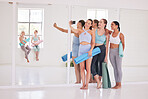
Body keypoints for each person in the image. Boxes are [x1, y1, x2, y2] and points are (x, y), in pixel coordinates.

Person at [69, 19, 95, 90]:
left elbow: (93, 43)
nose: (87, 24)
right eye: (86, 22)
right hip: (81, 50)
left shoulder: (92, 32)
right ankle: (83, 84)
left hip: (88, 49)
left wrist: (91, 50)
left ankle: (87, 85)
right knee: (82, 68)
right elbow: (73, 30)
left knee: (88, 68)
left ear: (91, 25)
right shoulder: (80, 31)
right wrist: (70, 25)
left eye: (89, 23)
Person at [91, 19, 110, 88]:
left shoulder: (107, 33)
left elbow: (107, 46)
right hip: (95, 48)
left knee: (101, 66)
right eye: (99, 22)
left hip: (102, 49)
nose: (99, 23)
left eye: (101, 22)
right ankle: (98, 81)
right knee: (92, 65)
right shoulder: (94, 31)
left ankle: (99, 82)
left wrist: (106, 57)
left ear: (104, 24)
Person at [109, 21, 125, 89]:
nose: (111, 26)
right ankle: (116, 83)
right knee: (114, 68)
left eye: (112, 25)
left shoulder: (120, 34)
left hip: (118, 51)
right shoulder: (110, 33)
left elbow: (123, 44)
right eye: (111, 25)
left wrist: (121, 52)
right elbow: (105, 30)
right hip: (111, 51)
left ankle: (119, 83)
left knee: (118, 68)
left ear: (117, 26)